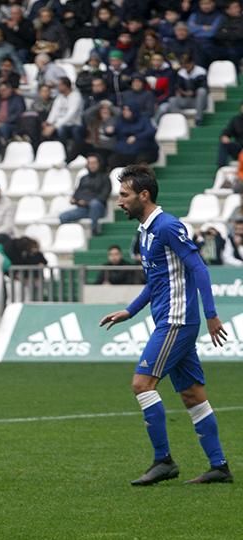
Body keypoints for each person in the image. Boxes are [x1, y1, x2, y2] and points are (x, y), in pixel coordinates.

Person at [100, 165, 233, 485]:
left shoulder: (168, 227)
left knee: (142, 384)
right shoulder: (145, 230)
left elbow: (199, 268)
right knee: (192, 394)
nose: (120, 201)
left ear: (143, 196)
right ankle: (220, 466)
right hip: (168, 318)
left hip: (177, 320)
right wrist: (130, 311)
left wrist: (211, 315)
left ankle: (164, 461)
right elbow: (156, 281)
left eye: (125, 195)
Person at [59, 154, 112, 235]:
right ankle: (75, 234)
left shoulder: (105, 178)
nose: (92, 165)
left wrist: (87, 202)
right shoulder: (83, 178)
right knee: (63, 217)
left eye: (94, 163)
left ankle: (94, 231)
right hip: (83, 210)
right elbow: (77, 194)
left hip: (98, 209)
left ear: (99, 164)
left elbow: (103, 196)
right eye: (90, 163)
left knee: (95, 204)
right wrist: (74, 200)